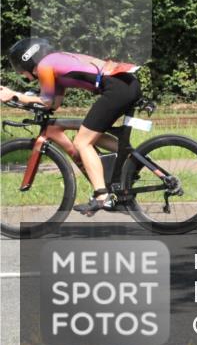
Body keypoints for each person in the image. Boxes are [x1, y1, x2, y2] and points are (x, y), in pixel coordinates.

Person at [0, 37, 142, 215]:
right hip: (124, 83)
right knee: (87, 134)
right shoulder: (55, 61)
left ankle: (102, 197)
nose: (24, 76)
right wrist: (24, 99)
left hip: (117, 88)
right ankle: (131, 157)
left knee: (82, 142)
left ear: (27, 61)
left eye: (22, 72)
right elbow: (54, 103)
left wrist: (14, 95)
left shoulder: (44, 66)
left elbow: (46, 101)